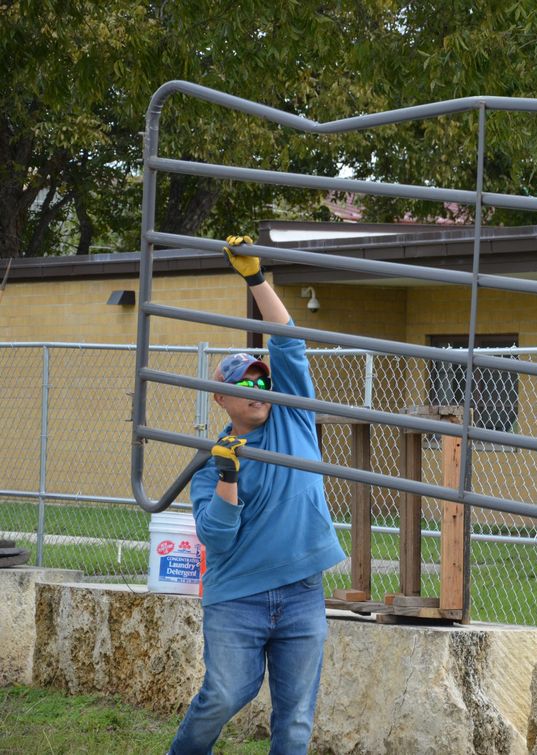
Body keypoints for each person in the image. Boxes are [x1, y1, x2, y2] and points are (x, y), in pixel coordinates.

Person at [169, 235, 345, 755]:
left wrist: (255, 279)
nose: (259, 389)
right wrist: (227, 476)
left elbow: (286, 340)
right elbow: (216, 541)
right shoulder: (210, 462)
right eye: (246, 384)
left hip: (300, 591)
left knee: (295, 721)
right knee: (224, 694)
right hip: (238, 597)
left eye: (262, 380)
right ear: (221, 397)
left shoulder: (294, 415)